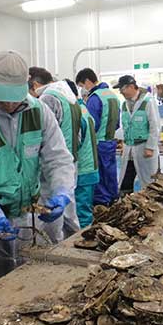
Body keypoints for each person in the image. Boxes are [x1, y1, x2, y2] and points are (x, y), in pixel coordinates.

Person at [0, 51, 75, 298]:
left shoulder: (39, 111)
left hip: (29, 220)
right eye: (3, 99)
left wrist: (62, 192)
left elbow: (58, 159)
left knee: (34, 292)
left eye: (13, 99)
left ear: (27, 85)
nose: (9, 105)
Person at [30, 67, 81, 240]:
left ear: (35, 85)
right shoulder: (70, 97)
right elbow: (79, 135)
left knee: (52, 220)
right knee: (69, 213)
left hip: (52, 168)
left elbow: (41, 137)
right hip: (69, 162)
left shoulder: (48, 99)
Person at [75, 67, 120, 205]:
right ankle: (113, 198)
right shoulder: (113, 95)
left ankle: (102, 203)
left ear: (88, 81)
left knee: (99, 175)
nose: (83, 89)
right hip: (110, 141)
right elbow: (117, 123)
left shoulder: (95, 98)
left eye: (82, 86)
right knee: (111, 173)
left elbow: (91, 124)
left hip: (98, 143)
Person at [115, 75, 160, 193]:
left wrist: (150, 147)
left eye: (122, 89)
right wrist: (123, 144)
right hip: (129, 149)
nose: (120, 92)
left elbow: (155, 127)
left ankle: (152, 207)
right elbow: (125, 126)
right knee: (125, 181)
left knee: (149, 183)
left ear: (131, 86)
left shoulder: (148, 101)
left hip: (143, 148)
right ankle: (125, 206)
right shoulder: (124, 104)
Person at [66, 79, 99, 228]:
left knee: (82, 215)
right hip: (89, 168)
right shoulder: (83, 108)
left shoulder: (75, 114)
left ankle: (84, 245)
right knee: (84, 211)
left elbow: (72, 145)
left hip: (83, 171)